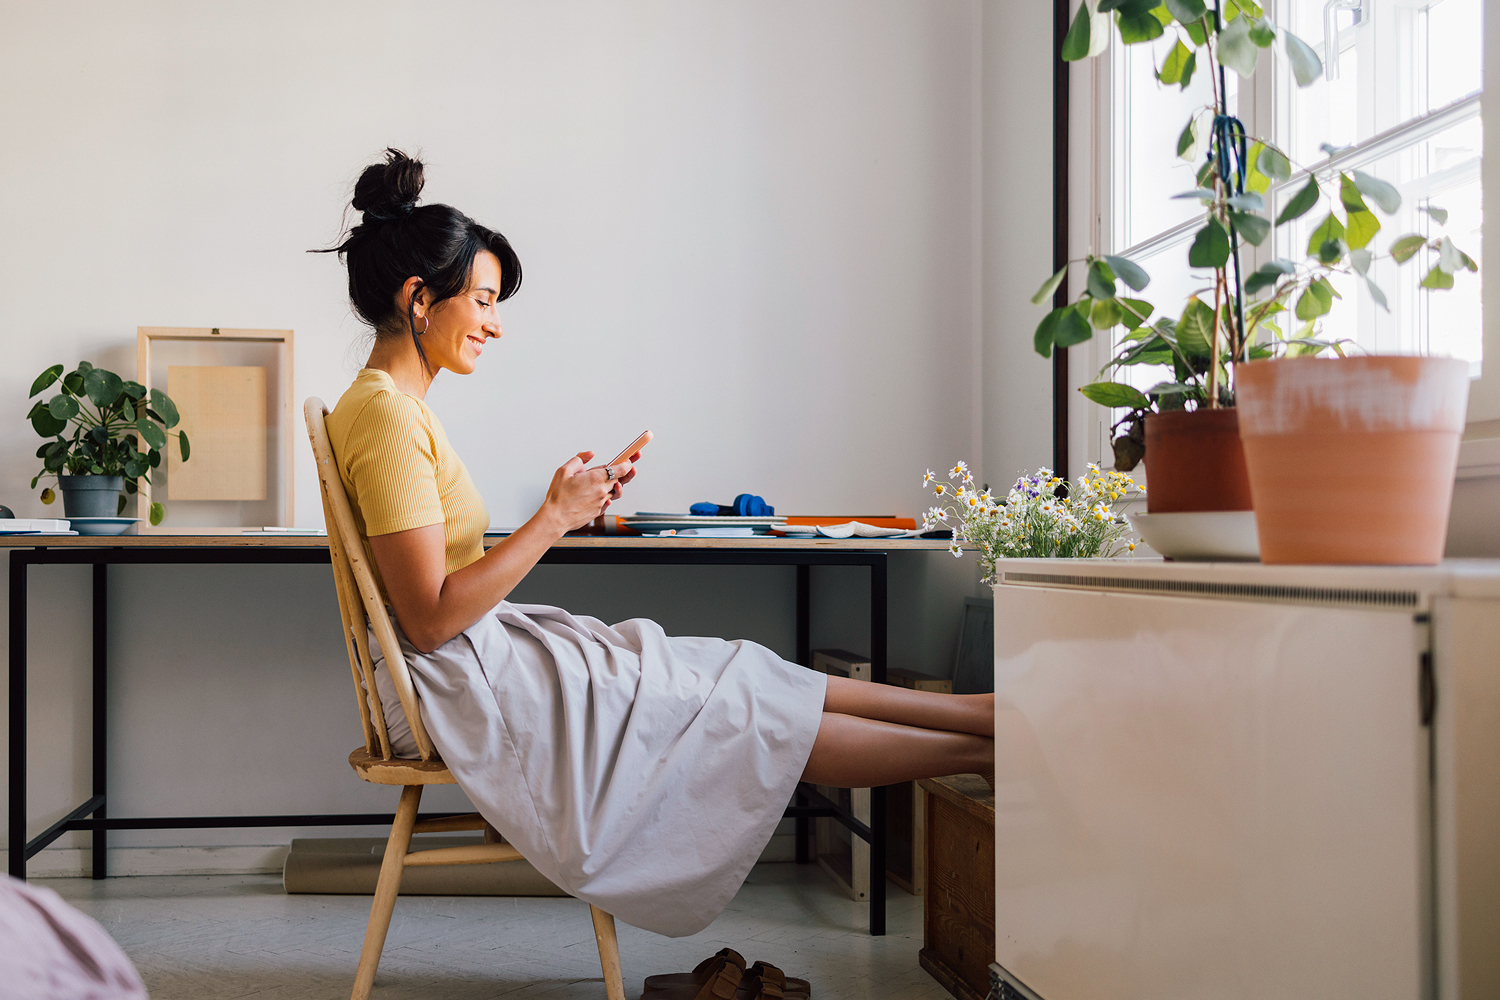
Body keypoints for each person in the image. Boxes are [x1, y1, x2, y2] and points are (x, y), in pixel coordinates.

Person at [316, 149, 994, 937]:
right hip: (451, 681)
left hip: (478, 661)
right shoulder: (389, 417)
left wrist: (563, 505)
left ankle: (981, 720)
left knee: (739, 672)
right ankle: (982, 745)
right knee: (739, 710)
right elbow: (429, 620)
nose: (496, 323)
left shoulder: (391, 408)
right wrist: (553, 519)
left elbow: (434, 598)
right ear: (419, 298)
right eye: (485, 301)